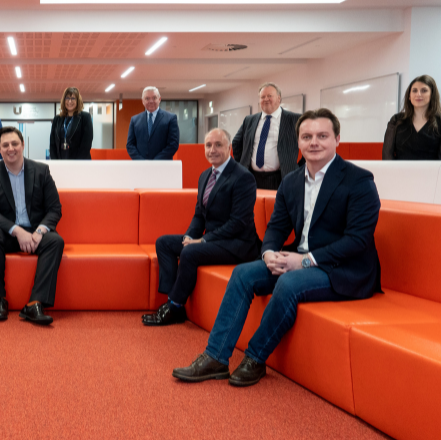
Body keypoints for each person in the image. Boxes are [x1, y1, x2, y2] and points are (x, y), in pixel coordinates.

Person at [173, 108, 381, 387]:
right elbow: (276, 227)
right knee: (243, 274)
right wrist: (269, 252)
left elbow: (358, 240)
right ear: (298, 142)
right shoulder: (292, 181)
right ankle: (215, 357)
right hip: (297, 257)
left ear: (337, 139)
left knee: (289, 284)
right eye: (307, 136)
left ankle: (255, 358)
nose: (314, 142)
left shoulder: (359, 180)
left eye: (322, 135)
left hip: (343, 269)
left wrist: (304, 261)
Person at [143, 128, 259, 326]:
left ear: (229, 147)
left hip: (238, 243)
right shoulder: (205, 175)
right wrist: (190, 237)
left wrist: (202, 240)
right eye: (208, 145)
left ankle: (174, 306)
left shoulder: (243, 177)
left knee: (190, 253)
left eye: (218, 145)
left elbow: (238, 223)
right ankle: (172, 301)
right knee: (164, 243)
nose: (212, 150)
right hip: (214, 240)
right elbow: (199, 215)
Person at [0, 126, 64, 325]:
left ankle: (34, 304)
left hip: (36, 233)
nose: (11, 148)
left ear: (23, 145)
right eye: (5, 145)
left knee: (56, 241)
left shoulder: (41, 171)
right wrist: (18, 231)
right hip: (7, 233)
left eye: (15, 143)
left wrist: (39, 231)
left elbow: (55, 209)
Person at [232, 83, 301, 190]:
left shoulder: (295, 119)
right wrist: (242, 164)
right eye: (262, 97)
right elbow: (236, 142)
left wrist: (298, 168)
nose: (266, 99)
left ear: (279, 98)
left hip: (282, 177)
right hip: (251, 177)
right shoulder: (249, 120)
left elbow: (309, 144)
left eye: (269, 96)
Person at [383, 74, 441, 160]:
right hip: (400, 172)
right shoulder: (396, 120)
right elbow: (387, 156)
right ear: (409, 96)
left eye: (424, 90)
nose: (418, 94)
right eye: (414, 90)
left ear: (432, 95)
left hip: (432, 173)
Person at [126, 86, 179, 160]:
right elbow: (130, 145)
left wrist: (155, 162)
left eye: (154, 98)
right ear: (142, 101)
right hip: (141, 167)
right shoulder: (134, 120)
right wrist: (141, 161)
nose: (151, 101)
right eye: (147, 98)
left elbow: (173, 145)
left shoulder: (170, 118)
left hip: (162, 166)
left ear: (159, 99)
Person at [50, 87, 93, 159]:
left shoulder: (85, 117)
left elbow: (86, 144)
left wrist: (75, 164)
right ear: (64, 101)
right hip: (60, 161)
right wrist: (55, 161)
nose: (70, 101)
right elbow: (52, 143)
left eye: (73, 98)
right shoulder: (57, 119)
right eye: (67, 98)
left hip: (80, 162)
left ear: (78, 101)